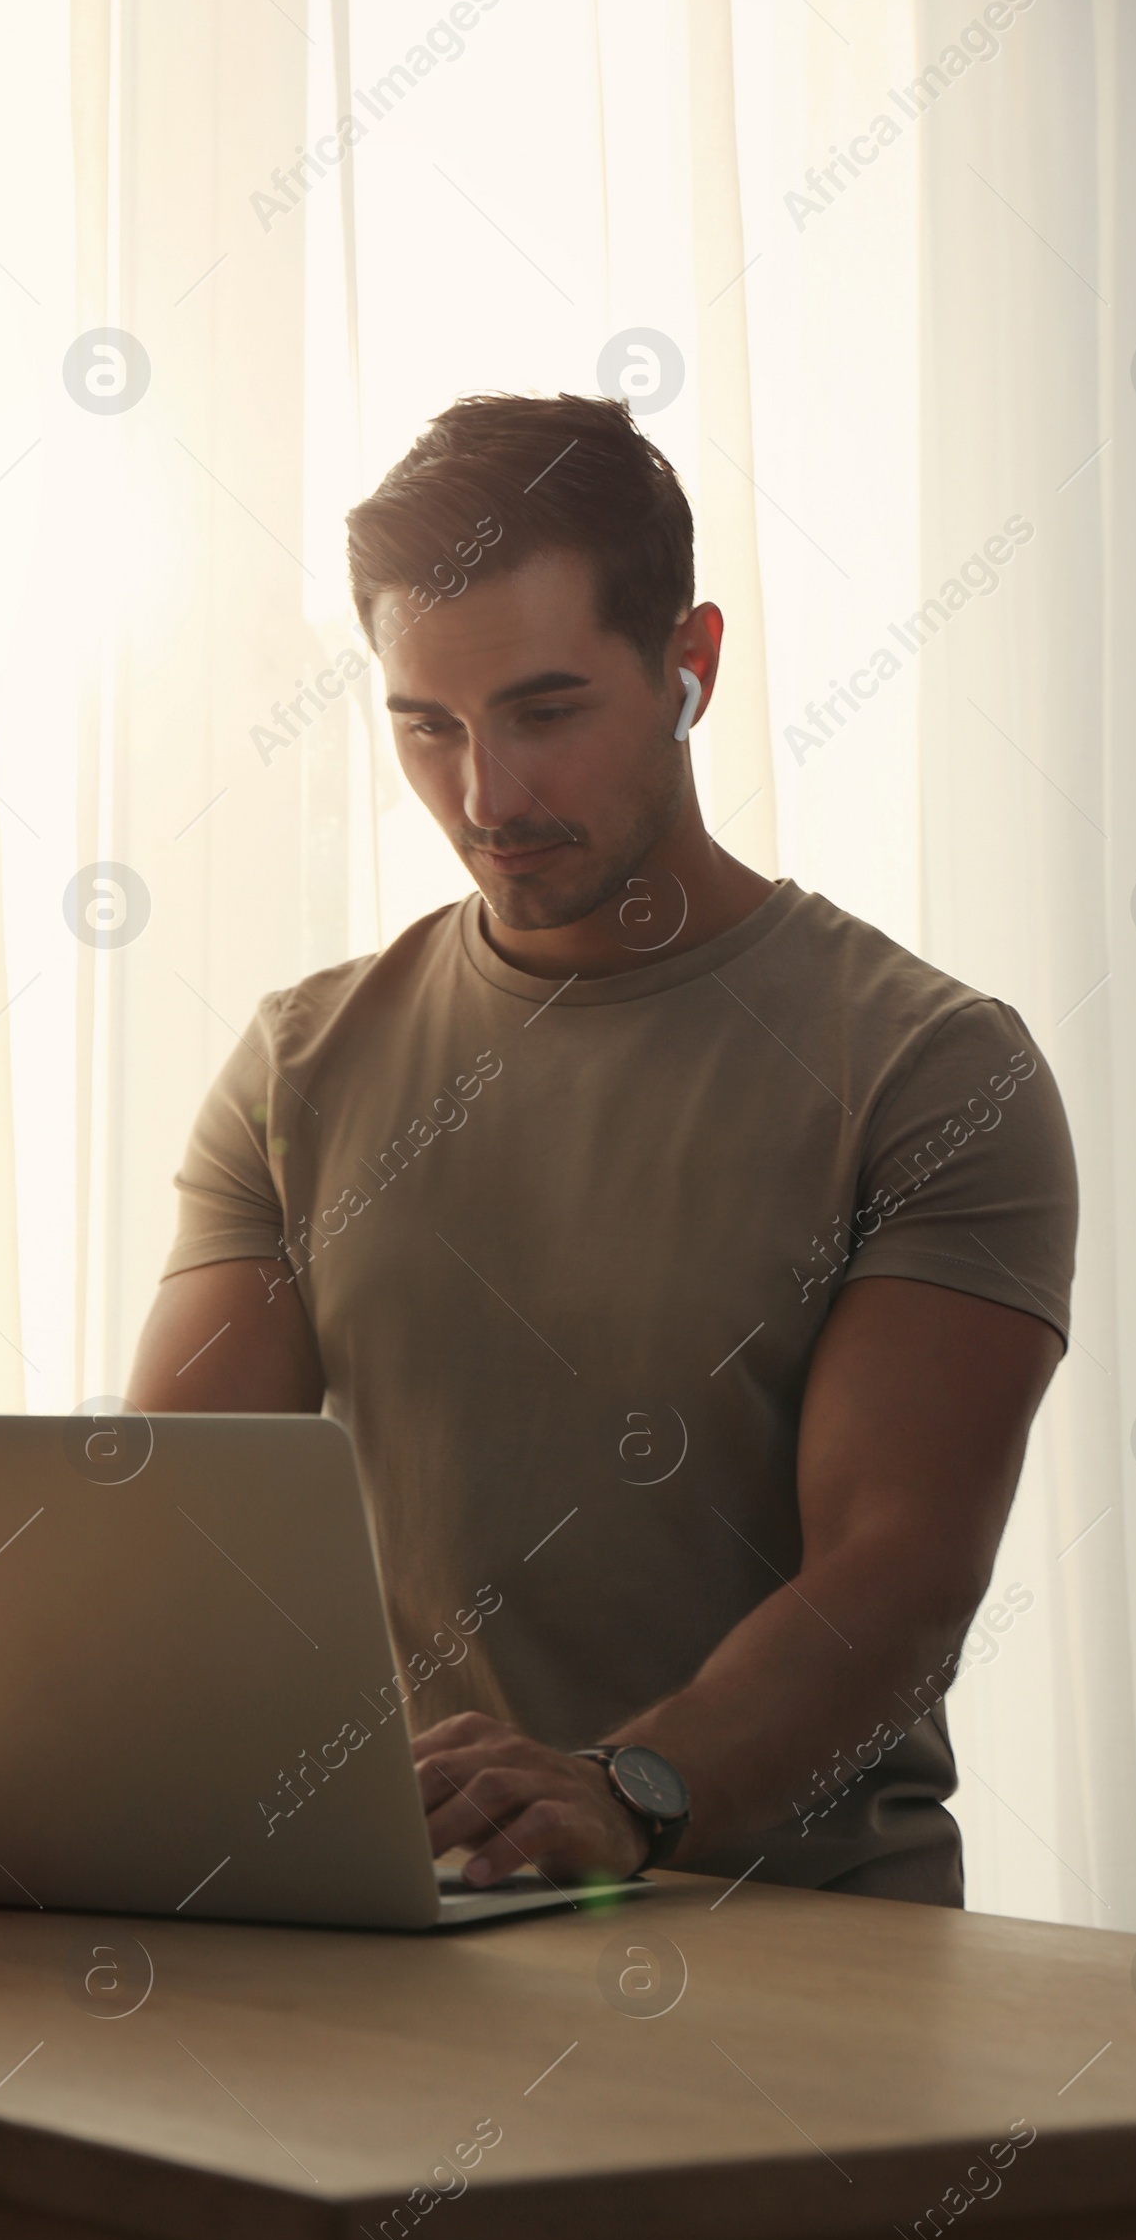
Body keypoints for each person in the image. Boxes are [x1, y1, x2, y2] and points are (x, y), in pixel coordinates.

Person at [128, 392, 1076, 1905]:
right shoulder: (300, 1067)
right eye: (425, 727)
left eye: (546, 713)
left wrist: (626, 1793)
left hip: (812, 1963)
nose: (486, 799)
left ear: (690, 667)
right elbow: (181, 1528)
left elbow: (900, 1576)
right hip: (426, 1938)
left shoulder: (927, 1067)